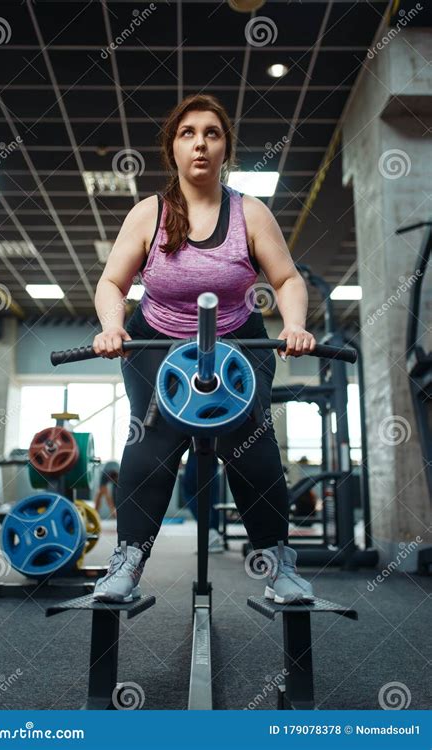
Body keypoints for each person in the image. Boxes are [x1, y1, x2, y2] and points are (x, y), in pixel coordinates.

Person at [91, 93, 316, 605]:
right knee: (149, 445)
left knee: (254, 449)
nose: (200, 143)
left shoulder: (250, 213)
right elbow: (111, 282)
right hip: (158, 341)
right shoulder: (149, 213)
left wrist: (296, 324)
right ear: (172, 148)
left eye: (212, 133)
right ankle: (127, 560)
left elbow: (287, 279)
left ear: (225, 149)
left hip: (237, 337)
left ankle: (278, 564)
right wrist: (111, 327)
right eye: (188, 133)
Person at [181, 444, 224, 553]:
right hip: (213, 449)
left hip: (197, 446)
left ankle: (209, 531)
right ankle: (213, 533)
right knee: (212, 496)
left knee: (189, 491)